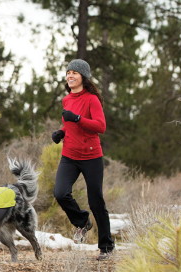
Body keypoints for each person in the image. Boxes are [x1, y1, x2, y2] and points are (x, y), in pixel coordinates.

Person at [51, 59, 114, 261]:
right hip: (69, 155)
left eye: (74, 73)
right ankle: (82, 221)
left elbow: (100, 126)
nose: (70, 76)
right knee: (60, 193)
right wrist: (60, 132)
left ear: (83, 77)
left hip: (91, 156)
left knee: (96, 202)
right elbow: (67, 123)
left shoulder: (91, 99)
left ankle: (106, 246)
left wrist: (77, 119)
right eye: (68, 72)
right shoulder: (67, 100)